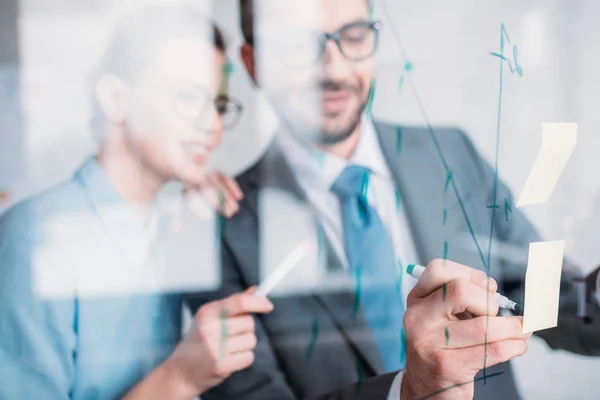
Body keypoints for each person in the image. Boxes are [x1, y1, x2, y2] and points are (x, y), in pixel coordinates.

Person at [186, 0, 600, 399]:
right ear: (253, 62)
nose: (334, 69)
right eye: (297, 46)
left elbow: (550, 297)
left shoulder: (452, 153)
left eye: (353, 35)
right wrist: (410, 394)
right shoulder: (219, 227)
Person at [0, 4, 273, 399]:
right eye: (186, 96)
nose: (211, 125)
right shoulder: (34, 242)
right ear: (115, 99)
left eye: (217, 104)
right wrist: (180, 378)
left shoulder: (171, 227)